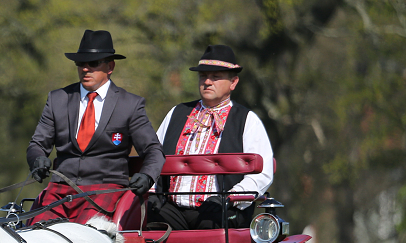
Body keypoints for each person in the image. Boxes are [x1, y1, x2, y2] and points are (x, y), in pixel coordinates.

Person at [26, 30, 165, 225]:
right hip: (60, 190)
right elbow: (37, 144)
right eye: (81, 64)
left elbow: (153, 151)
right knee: (35, 236)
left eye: (93, 64)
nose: (85, 69)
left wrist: (147, 176)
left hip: (105, 191)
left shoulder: (130, 104)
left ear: (110, 66)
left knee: (82, 239)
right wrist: (37, 159)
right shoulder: (57, 99)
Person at [149, 44, 274, 230]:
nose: (207, 82)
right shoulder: (177, 113)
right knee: (147, 223)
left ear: (233, 82)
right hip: (172, 208)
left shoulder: (246, 120)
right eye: (203, 76)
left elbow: (262, 174)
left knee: (213, 228)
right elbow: (154, 158)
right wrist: (152, 192)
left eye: (215, 77)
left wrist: (230, 198)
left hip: (221, 210)